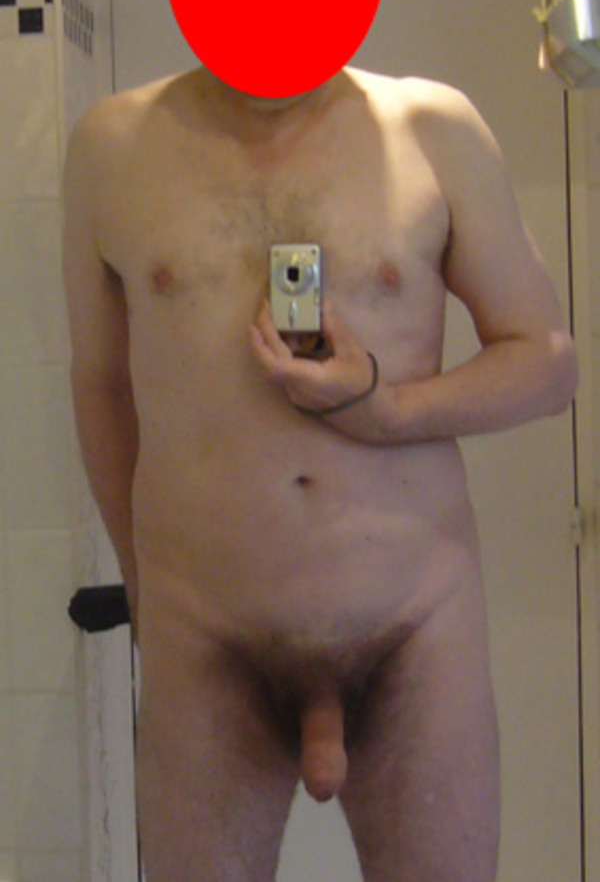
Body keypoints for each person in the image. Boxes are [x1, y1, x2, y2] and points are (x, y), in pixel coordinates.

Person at [62, 59, 577, 882]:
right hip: (205, 634)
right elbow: (100, 384)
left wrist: (388, 409)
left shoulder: (433, 127)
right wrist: (141, 587)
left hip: (414, 627)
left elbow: (547, 364)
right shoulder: (112, 144)